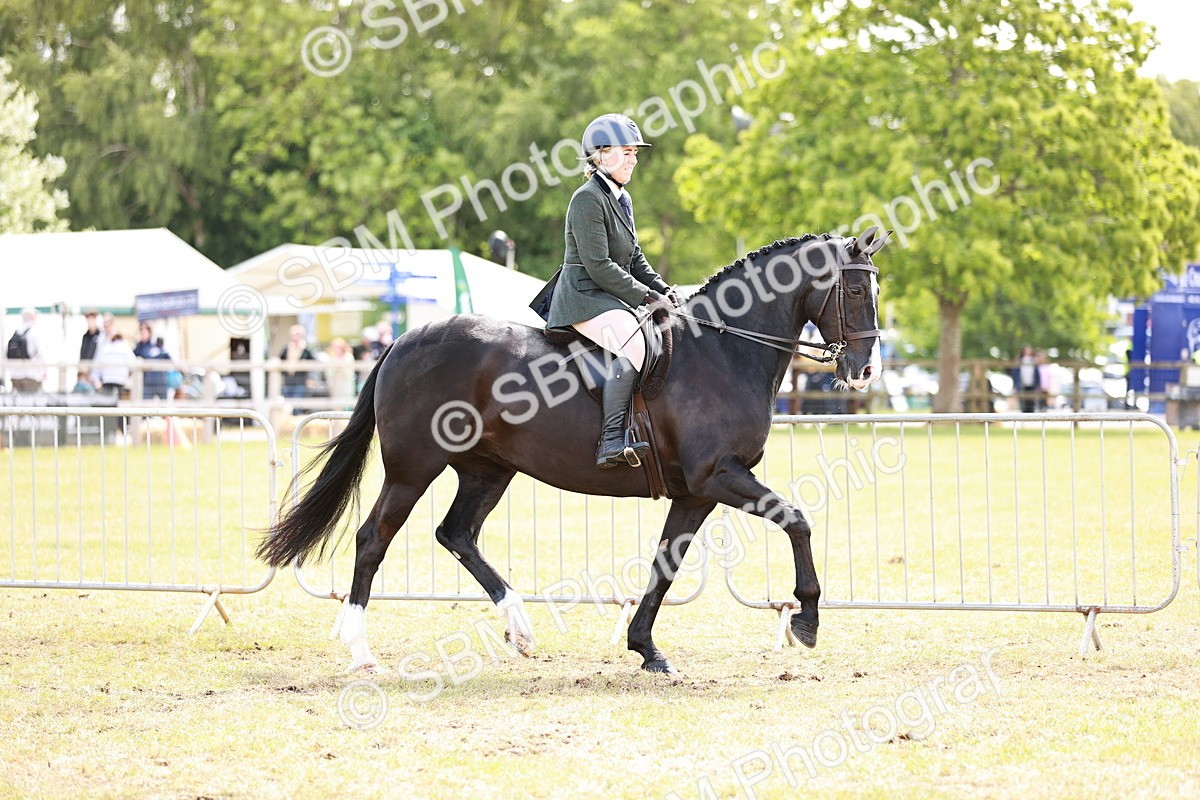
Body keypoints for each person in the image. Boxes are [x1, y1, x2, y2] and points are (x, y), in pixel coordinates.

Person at [529, 113, 678, 468]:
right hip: (583, 296)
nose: (633, 158)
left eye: (634, 153)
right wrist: (644, 297)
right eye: (626, 152)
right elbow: (599, 265)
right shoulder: (587, 199)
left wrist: (663, 289)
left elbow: (634, 256)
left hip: (606, 294)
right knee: (632, 341)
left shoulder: (621, 199)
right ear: (599, 155)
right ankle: (611, 440)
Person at [7, 307, 44, 393]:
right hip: (31, 375)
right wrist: (44, 371)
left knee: (20, 403)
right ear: (33, 317)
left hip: (15, 376)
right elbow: (42, 353)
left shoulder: (15, 333)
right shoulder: (35, 332)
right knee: (32, 403)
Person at [133, 322, 172, 400]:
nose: (142, 332)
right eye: (141, 330)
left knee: (164, 407)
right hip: (147, 383)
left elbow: (168, 358)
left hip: (160, 381)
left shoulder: (156, 345)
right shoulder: (138, 347)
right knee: (146, 407)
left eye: (145, 330)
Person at [95, 331, 135, 398]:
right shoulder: (125, 347)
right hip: (121, 380)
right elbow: (133, 362)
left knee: (108, 401)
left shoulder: (106, 347)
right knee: (119, 402)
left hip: (107, 379)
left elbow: (98, 364)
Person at [279, 324, 315, 401]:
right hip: (288, 381)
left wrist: (311, 378)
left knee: (297, 403)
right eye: (293, 335)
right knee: (288, 403)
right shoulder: (287, 349)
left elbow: (313, 363)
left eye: (297, 334)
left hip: (300, 381)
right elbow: (280, 360)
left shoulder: (306, 350)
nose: (295, 337)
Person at [1013, 345, 1039, 413]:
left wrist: (1037, 384)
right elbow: (1016, 373)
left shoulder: (1033, 360)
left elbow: (1036, 373)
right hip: (1022, 383)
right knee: (1022, 400)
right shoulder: (1019, 360)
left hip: (1031, 383)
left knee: (1031, 400)